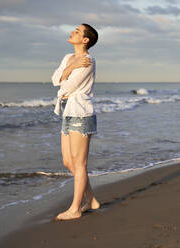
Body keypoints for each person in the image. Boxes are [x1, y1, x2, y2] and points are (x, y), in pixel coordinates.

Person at [51, 23, 100, 221]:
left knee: (79, 164)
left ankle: (76, 208)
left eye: (78, 31)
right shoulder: (67, 58)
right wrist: (70, 66)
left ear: (85, 40)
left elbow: (68, 87)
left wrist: (66, 75)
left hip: (81, 113)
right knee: (68, 162)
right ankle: (92, 200)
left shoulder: (88, 60)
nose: (73, 32)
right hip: (67, 113)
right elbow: (55, 80)